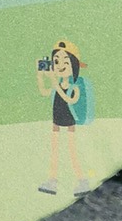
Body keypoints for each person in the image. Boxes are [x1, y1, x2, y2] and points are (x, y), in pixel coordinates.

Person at [36, 39, 90, 196]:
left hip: (69, 124)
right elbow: (44, 92)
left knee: (72, 152)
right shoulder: (57, 84)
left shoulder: (75, 86)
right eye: (56, 61)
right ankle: (52, 181)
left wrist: (54, 82)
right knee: (54, 152)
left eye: (65, 62)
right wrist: (40, 77)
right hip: (56, 123)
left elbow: (70, 99)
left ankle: (82, 181)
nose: (60, 65)